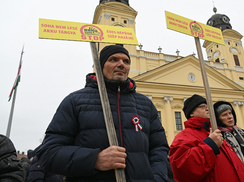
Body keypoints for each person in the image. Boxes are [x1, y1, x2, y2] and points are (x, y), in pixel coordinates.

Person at [37, 45, 169, 181]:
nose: (121, 64)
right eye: (113, 59)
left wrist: (157, 178)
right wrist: (94, 159)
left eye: (126, 61)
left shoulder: (145, 104)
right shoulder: (75, 101)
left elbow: (159, 148)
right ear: (100, 66)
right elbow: (48, 154)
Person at [169, 94, 244, 182]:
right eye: (203, 106)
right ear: (191, 113)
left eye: (208, 106)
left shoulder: (214, 131)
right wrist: (210, 145)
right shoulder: (184, 136)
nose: (208, 108)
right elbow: (182, 167)